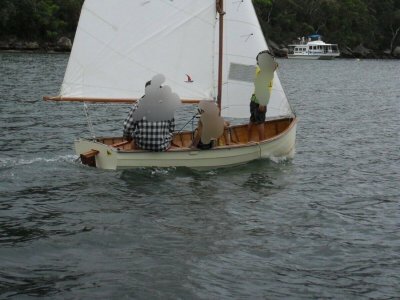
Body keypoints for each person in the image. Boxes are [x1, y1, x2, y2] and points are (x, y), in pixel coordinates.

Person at [123, 80, 175, 151]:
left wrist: (129, 138)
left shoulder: (138, 105)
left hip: (142, 146)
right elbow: (171, 129)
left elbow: (127, 128)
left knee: (132, 143)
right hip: (162, 147)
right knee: (169, 142)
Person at [248, 50, 278, 142]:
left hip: (254, 99)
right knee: (260, 122)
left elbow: (275, 65)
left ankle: (248, 140)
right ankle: (262, 142)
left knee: (252, 120)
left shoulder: (259, 69)